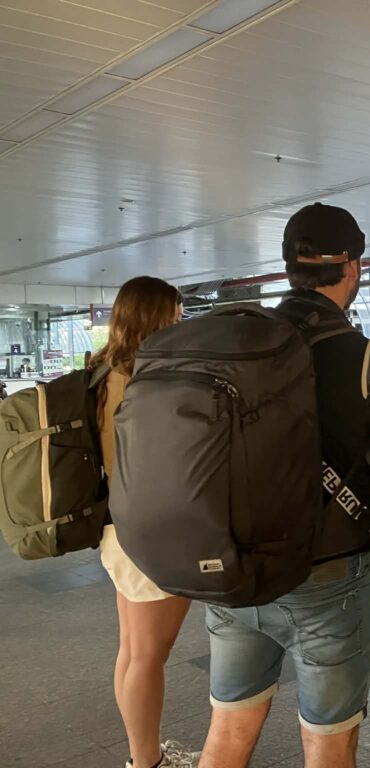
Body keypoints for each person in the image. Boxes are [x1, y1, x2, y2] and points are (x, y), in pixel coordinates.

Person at [198, 203, 370, 768]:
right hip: (329, 582)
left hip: (236, 572)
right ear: (352, 267)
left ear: (288, 269)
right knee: (328, 747)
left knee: (227, 738)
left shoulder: (236, 349)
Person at [89, 276, 196, 768]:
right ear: (154, 318)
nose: (179, 324)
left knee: (133, 650)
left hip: (118, 527)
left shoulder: (103, 373)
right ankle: (145, 762)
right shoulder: (140, 382)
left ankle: (143, 754)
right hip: (149, 531)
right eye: (174, 316)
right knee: (149, 654)